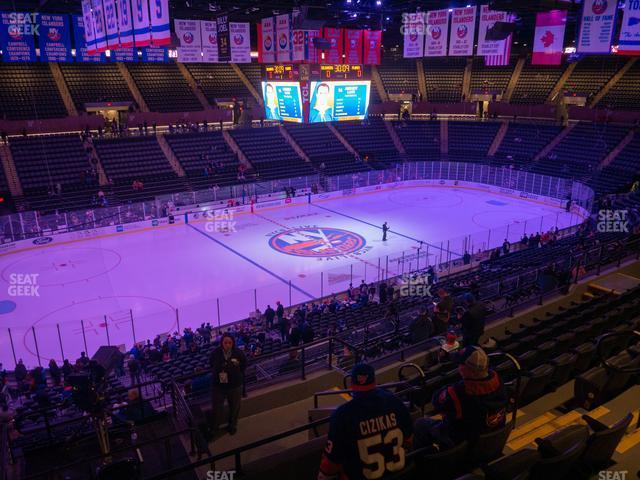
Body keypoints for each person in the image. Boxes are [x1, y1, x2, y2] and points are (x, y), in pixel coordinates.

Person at [318, 363, 413, 480]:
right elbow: (408, 440)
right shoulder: (395, 402)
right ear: (375, 382)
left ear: (351, 385)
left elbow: (329, 466)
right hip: (399, 474)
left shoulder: (342, 415)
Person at [413, 346, 508, 450]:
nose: (458, 367)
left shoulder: (458, 392)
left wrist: (457, 384)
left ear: (467, 369)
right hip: (490, 437)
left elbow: (436, 401)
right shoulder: (497, 379)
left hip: (464, 442)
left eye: (460, 365)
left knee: (420, 424)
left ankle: (427, 458)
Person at [210, 333, 247, 435]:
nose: (227, 345)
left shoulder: (238, 353)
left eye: (229, 343)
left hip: (235, 386)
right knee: (216, 409)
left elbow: (244, 365)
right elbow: (211, 364)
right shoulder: (215, 353)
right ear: (222, 342)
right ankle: (214, 428)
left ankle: (232, 425)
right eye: (225, 342)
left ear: (233, 343)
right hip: (219, 387)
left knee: (235, 407)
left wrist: (235, 373)